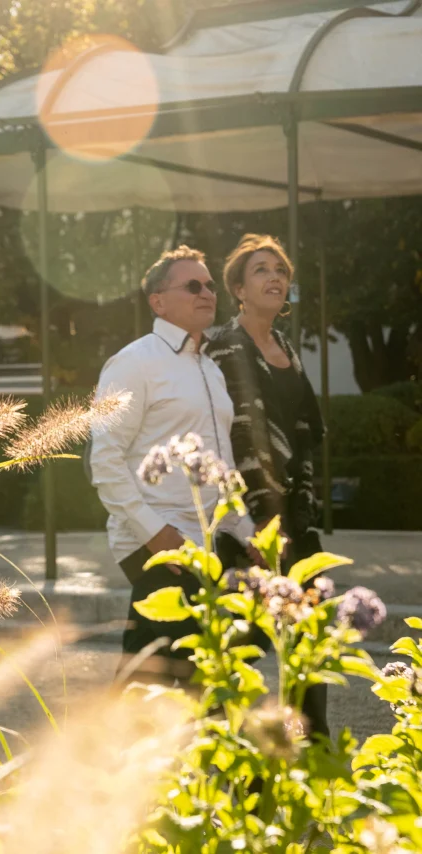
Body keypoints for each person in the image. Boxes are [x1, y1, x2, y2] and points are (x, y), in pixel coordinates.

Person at [90, 245, 254, 683]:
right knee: (152, 677)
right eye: (193, 285)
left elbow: (223, 464)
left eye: (210, 285)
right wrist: (156, 533)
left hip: (209, 544)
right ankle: (111, 750)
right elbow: (104, 460)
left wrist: (246, 530)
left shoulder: (211, 370)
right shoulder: (132, 363)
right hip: (156, 543)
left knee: (206, 675)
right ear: (157, 301)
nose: (207, 293)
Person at [209, 232, 329, 736]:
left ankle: (312, 750)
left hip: (297, 518)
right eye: (261, 270)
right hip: (250, 520)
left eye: (280, 271)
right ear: (238, 287)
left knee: (310, 642)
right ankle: (217, 735)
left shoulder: (285, 348)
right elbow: (236, 434)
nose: (275, 278)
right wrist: (261, 517)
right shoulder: (222, 344)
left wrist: (298, 509)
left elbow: (304, 432)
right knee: (246, 638)